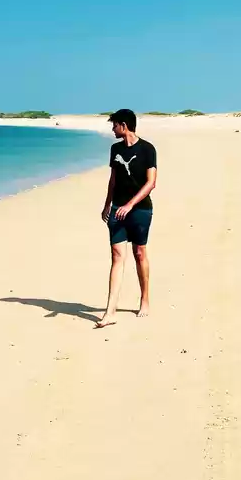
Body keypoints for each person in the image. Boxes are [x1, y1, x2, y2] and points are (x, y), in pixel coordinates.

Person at [97, 108, 157, 328]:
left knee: (139, 253)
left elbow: (151, 183)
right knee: (116, 256)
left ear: (124, 125)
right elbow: (113, 180)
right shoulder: (115, 149)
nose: (113, 129)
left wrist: (130, 205)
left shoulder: (148, 149)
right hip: (117, 211)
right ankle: (110, 311)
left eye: (114, 125)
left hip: (140, 209)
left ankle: (145, 299)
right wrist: (107, 206)